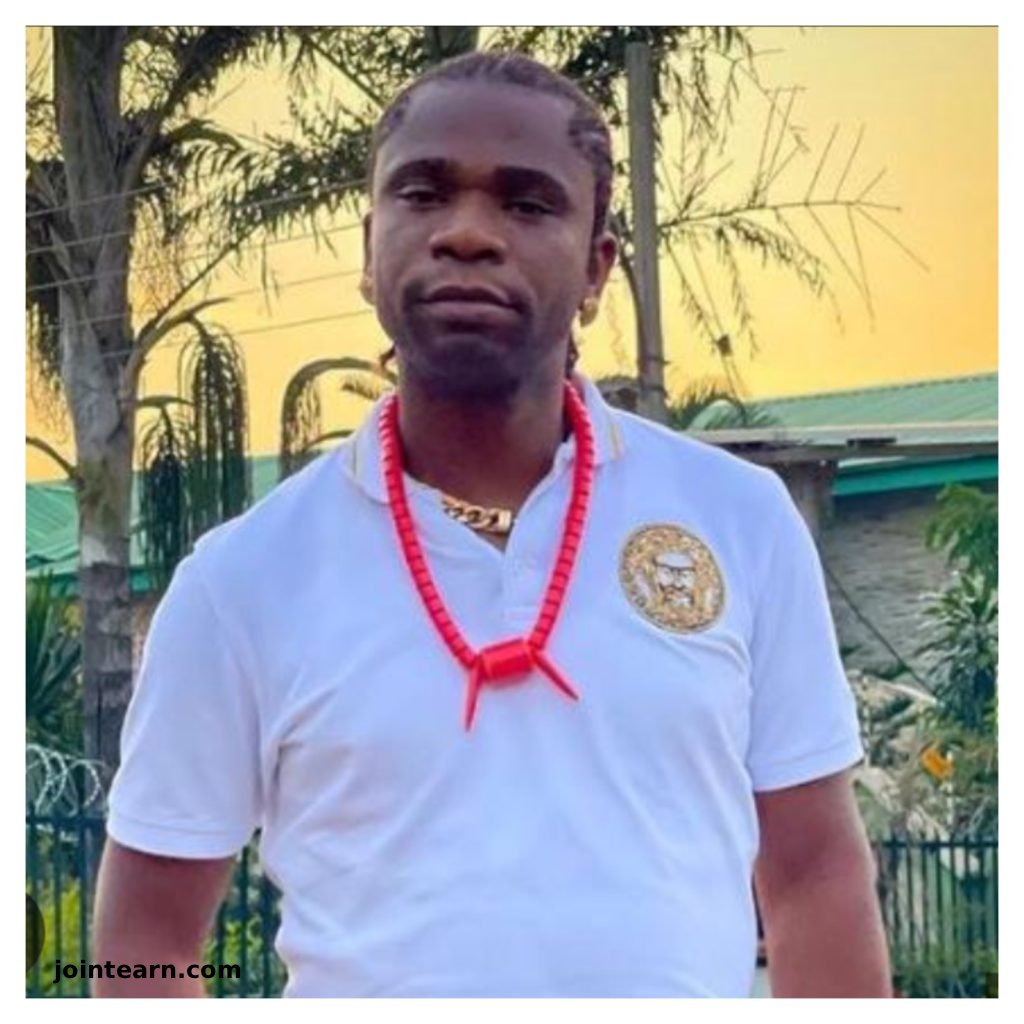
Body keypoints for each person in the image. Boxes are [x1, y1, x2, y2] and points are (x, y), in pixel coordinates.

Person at [93, 51, 892, 998]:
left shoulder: (739, 522)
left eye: (527, 203)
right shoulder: (241, 582)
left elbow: (814, 875)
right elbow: (144, 939)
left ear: (596, 269)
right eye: (423, 194)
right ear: (369, 250)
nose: (467, 233)